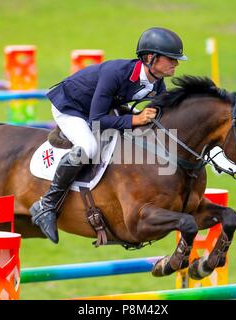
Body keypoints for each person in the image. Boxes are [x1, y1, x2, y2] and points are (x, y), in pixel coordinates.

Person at [30, 27, 187, 243]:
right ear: (151, 58)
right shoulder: (116, 73)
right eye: (171, 59)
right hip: (71, 107)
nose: (176, 64)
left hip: (102, 107)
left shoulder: (156, 82)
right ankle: (46, 204)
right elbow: (97, 120)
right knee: (88, 148)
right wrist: (135, 119)